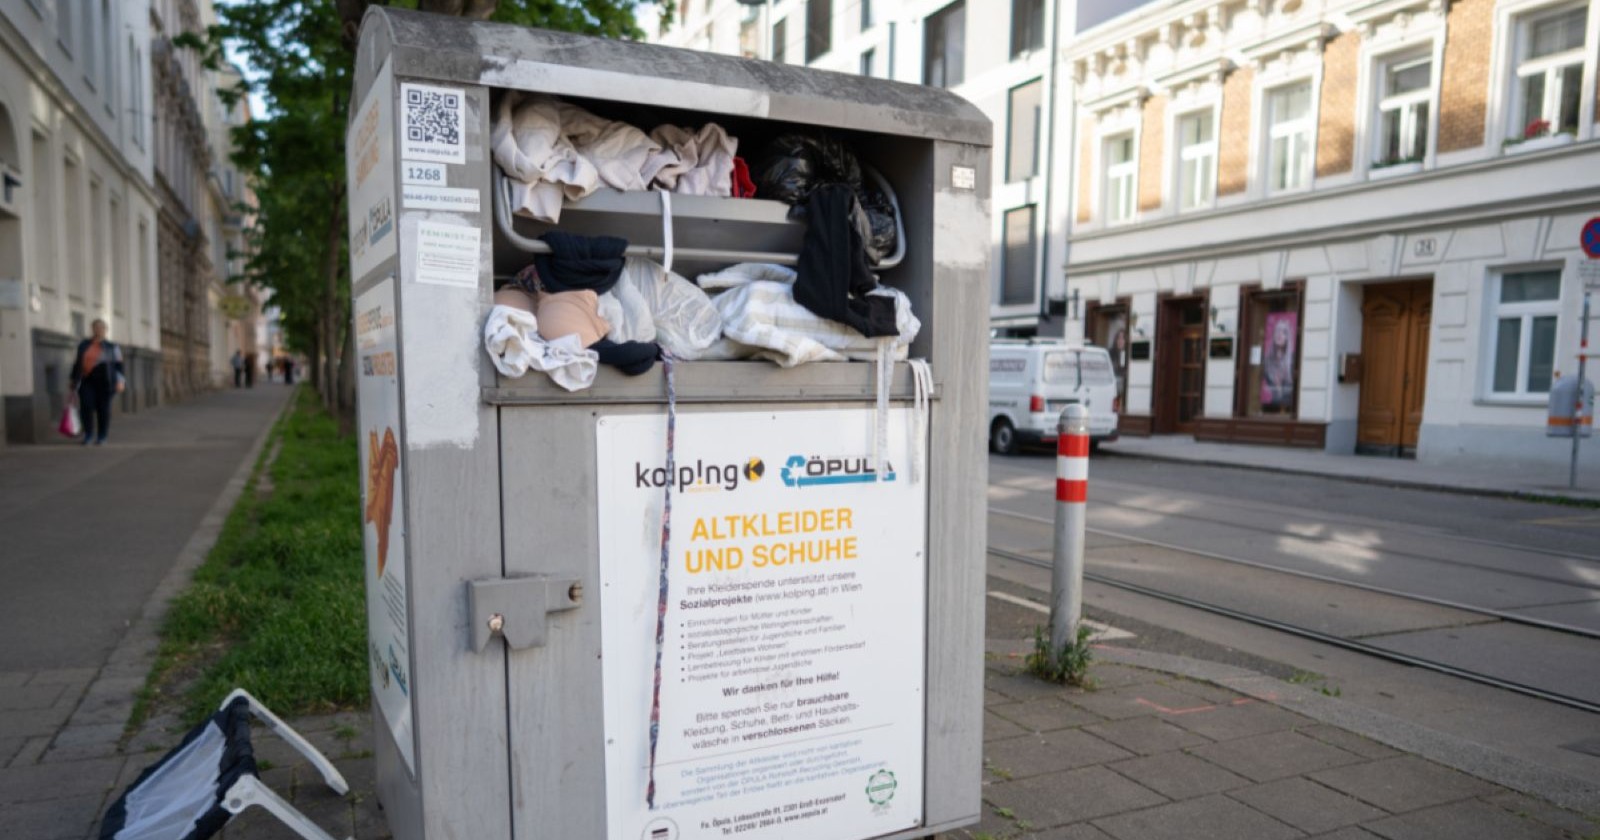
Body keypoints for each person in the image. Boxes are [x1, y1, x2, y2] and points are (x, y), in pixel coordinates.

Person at [69, 319, 125, 446]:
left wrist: (120, 381)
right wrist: (73, 378)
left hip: (106, 382)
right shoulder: (84, 345)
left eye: (101, 328)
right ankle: (88, 434)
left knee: (103, 409)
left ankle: (102, 436)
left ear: (105, 330)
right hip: (87, 380)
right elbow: (77, 363)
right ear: (92, 329)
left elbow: (119, 366)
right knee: (86, 406)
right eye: (96, 327)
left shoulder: (112, 347)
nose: (99, 330)